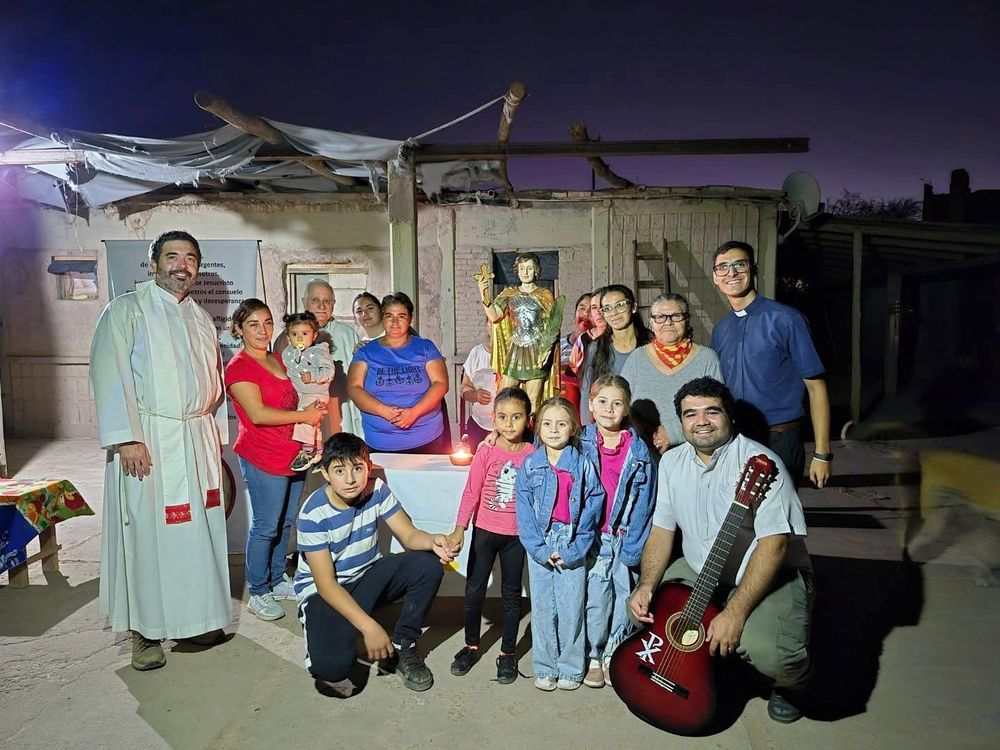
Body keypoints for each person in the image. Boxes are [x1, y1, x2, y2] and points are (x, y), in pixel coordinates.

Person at [628, 377, 813, 724]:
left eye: (712, 411)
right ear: (680, 421)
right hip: (701, 567)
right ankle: (701, 662)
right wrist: (647, 584)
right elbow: (662, 529)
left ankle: (794, 683)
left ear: (729, 416)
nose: (701, 421)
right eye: (690, 414)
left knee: (769, 652)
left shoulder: (762, 464)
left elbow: (774, 545)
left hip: (767, 576)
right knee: (644, 612)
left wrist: (736, 612)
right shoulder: (672, 462)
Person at [90, 229, 231, 671]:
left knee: (197, 533)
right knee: (148, 536)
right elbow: (108, 376)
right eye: (172, 256)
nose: (181, 265)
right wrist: (127, 437)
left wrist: (215, 442)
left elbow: (214, 386)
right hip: (148, 439)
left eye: (191, 257)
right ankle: (145, 632)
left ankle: (196, 620)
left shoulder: (201, 318)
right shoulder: (127, 311)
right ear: (153, 264)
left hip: (196, 437)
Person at [293, 433, 454, 696]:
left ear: (368, 466)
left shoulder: (376, 488)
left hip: (367, 576)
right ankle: (332, 629)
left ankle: (404, 645)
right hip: (324, 594)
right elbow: (326, 585)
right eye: (339, 470)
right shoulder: (313, 514)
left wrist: (434, 540)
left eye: (357, 468)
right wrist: (370, 628)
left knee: (428, 564)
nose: (350, 479)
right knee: (331, 672)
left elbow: (409, 535)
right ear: (325, 474)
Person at [226, 299, 327, 622]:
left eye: (267, 322)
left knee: (285, 522)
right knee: (266, 525)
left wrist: (314, 420)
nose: (262, 330)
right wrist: (305, 415)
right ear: (239, 329)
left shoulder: (277, 359)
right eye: (253, 324)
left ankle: (275, 578)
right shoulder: (240, 366)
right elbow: (257, 414)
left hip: (293, 452)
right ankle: (257, 591)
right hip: (262, 453)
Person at [709, 240, 832, 487]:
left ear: (753, 269)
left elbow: (816, 388)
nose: (731, 272)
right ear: (715, 277)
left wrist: (822, 453)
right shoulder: (721, 329)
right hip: (737, 438)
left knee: (778, 519)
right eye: (723, 267)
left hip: (780, 437)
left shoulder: (787, 319)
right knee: (741, 519)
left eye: (739, 265)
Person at [445, 387, 535, 684]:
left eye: (516, 417)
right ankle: (471, 645)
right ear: (493, 419)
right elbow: (471, 492)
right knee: (474, 591)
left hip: (516, 537)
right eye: (502, 417)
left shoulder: (534, 455)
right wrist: (460, 529)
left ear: (528, 420)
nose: (509, 424)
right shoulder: (486, 451)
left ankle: (507, 653)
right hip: (484, 531)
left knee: (511, 595)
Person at [515, 396, 605, 691]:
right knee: (542, 608)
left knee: (570, 608)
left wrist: (575, 548)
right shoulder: (530, 466)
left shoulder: (581, 464)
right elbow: (524, 512)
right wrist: (539, 550)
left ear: (573, 428)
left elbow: (594, 502)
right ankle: (544, 666)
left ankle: (570, 668)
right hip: (541, 540)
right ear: (538, 427)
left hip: (570, 540)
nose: (554, 430)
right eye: (548, 424)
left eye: (562, 423)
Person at [579, 375, 656, 688]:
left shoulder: (639, 453)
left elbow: (646, 503)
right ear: (591, 407)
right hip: (594, 537)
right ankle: (593, 653)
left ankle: (614, 652)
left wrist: (635, 546)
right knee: (596, 599)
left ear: (626, 410)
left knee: (625, 598)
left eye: (617, 403)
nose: (609, 409)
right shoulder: (578, 443)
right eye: (602, 402)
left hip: (624, 535)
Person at [347, 292, 450, 454]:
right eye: (389, 316)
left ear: (410, 319)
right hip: (382, 441)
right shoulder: (365, 352)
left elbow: (441, 383)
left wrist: (414, 412)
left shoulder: (425, 347)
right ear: (382, 317)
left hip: (426, 437)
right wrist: (384, 411)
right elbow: (354, 388)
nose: (395, 322)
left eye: (401, 316)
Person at [621, 293, 723, 455]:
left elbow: (717, 410)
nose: (668, 322)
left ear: (687, 320)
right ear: (652, 323)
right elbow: (622, 405)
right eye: (660, 317)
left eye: (676, 316)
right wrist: (648, 435)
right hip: (642, 451)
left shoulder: (706, 358)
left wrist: (673, 433)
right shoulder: (637, 359)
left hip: (693, 452)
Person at [274, 279, 363, 437]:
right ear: (304, 302)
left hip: (341, 413)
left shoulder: (347, 334)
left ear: (333, 304)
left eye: (327, 301)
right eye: (315, 300)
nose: (322, 307)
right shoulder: (285, 339)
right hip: (302, 411)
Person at [479, 252, 564, 413]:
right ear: (517, 271)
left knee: (533, 400)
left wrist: (547, 349)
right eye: (522, 268)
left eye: (529, 268)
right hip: (516, 348)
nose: (525, 272)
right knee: (504, 394)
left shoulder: (545, 295)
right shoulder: (509, 293)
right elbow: (494, 316)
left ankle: (532, 435)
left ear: (536, 271)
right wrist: (484, 294)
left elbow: (553, 325)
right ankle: (503, 430)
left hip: (537, 350)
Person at [579, 284, 651, 423]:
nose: (614, 313)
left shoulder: (651, 344)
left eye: (620, 305)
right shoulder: (596, 348)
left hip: (646, 423)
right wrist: (588, 430)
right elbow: (586, 391)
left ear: (634, 307)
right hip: (610, 424)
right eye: (607, 309)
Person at [281, 311, 335, 471]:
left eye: (304, 334)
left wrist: (313, 376)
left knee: (304, 416)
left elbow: (329, 372)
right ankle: (319, 453)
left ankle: (307, 451)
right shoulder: (288, 353)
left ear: (314, 335)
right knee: (313, 424)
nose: (299, 338)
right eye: (294, 334)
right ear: (288, 336)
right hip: (302, 393)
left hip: (316, 393)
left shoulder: (319, 352)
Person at [460, 330, 497, 448]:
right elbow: (465, 387)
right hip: (479, 425)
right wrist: (475, 395)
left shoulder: (516, 354)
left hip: (508, 429)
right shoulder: (477, 353)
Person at [559, 293, 592, 410]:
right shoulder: (559, 345)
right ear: (574, 314)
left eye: (592, 310)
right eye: (582, 308)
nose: (586, 313)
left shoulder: (600, 348)